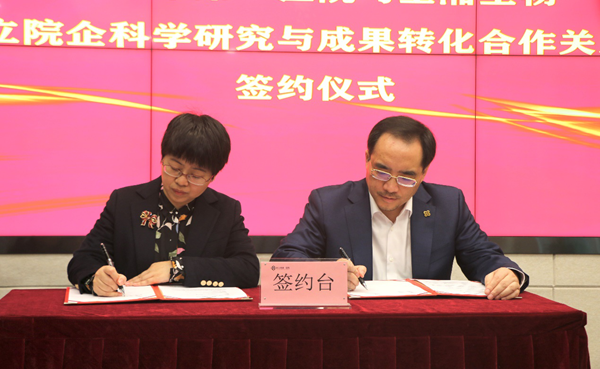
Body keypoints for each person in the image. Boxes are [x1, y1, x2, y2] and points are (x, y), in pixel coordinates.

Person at [272, 116, 528, 300]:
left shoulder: (449, 204)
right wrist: (327, 274)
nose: (391, 187)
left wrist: (504, 274)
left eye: (406, 178)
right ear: (367, 159)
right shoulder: (329, 203)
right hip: (351, 327)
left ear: (424, 172)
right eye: (381, 172)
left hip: (424, 328)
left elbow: (482, 255)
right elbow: (284, 262)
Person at [68, 113, 260, 296]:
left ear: (212, 177)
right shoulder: (125, 202)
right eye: (174, 168)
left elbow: (248, 268)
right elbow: (83, 260)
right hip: (133, 312)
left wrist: (178, 268)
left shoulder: (226, 210)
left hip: (197, 315)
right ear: (162, 159)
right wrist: (95, 278)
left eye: (195, 176)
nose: (181, 181)